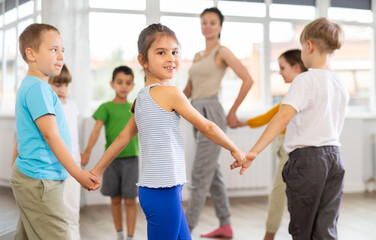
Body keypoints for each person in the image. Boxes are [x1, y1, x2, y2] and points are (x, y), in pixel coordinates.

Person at [88, 23, 246, 240]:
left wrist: (97, 170)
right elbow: (207, 126)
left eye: (174, 52)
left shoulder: (140, 98)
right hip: (164, 191)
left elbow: (123, 138)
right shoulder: (171, 93)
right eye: (161, 53)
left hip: (155, 191)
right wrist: (235, 149)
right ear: (143, 60)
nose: (171, 58)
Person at [232, 18, 348, 240]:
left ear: (309, 46)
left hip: (307, 161)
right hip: (335, 159)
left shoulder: (304, 80)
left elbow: (282, 117)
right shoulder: (339, 82)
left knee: (301, 228)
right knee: (326, 228)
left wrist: (254, 151)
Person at [10, 23, 98, 240]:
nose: (60, 56)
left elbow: (23, 135)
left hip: (34, 178)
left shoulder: (32, 86)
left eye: (62, 50)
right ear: (31, 54)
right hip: (40, 182)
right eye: (53, 50)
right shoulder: (39, 89)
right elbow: (51, 135)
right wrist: (78, 174)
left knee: (27, 235)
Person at [183, 7, 254, 238]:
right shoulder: (197, 56)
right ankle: (225, 225)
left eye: (212, 22)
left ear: (220, 26)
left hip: (212, 112)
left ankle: (185, 230)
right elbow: (189, 89)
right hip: (196, 111)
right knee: (212, 174)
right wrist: (169, 104)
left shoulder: (222, 52)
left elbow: (247, 79)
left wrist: (232, 112)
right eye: (204, 22)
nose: (208, 26)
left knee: (199, 175)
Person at [239, 49, 307, 240]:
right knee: (281, 193)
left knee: (278, 192)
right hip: (286, 146)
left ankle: (269, 236)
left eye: (282, 68)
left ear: (296, 67)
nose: (280, 72)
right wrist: (244, 123)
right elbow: (273, 114)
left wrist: (253, 149)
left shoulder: (301, 89)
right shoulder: (294, 90)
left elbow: (279, 117)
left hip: (292, 149)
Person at [81, 66, 139, 240]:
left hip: (131, 160)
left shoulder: (135, 107)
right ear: (112, 84)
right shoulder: (105, 107)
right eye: (119, 82)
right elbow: (96, 130)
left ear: (132, 85)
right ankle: (119, 234)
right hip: (111, 161)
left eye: (128, 83)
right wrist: (87, 151)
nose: (123, 86)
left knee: (130, 201)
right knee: (115, 199)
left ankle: (130, 236)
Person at [49, 64, 82, 240]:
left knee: (72, 208)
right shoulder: (48, 106)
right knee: (55, 210)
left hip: (73, 163)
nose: (62, 89)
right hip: (53, 164)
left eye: (66, 85)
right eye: (57, 85)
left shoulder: (72, 104)